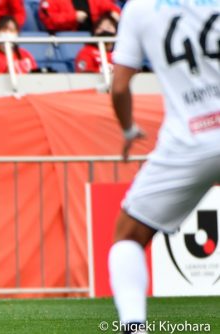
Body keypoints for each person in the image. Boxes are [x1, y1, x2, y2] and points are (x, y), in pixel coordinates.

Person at [108, 2, 220, 334]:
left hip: (189, 138)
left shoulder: (139, 8)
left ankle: (134, 327)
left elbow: (119, 86)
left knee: (127, 237)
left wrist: (128, 130)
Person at [38, 0, 120, 34]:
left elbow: (110, 6)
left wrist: (114, 12)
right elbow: (49, 20)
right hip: (68, 38)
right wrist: (73, 17)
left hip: (93, 38)